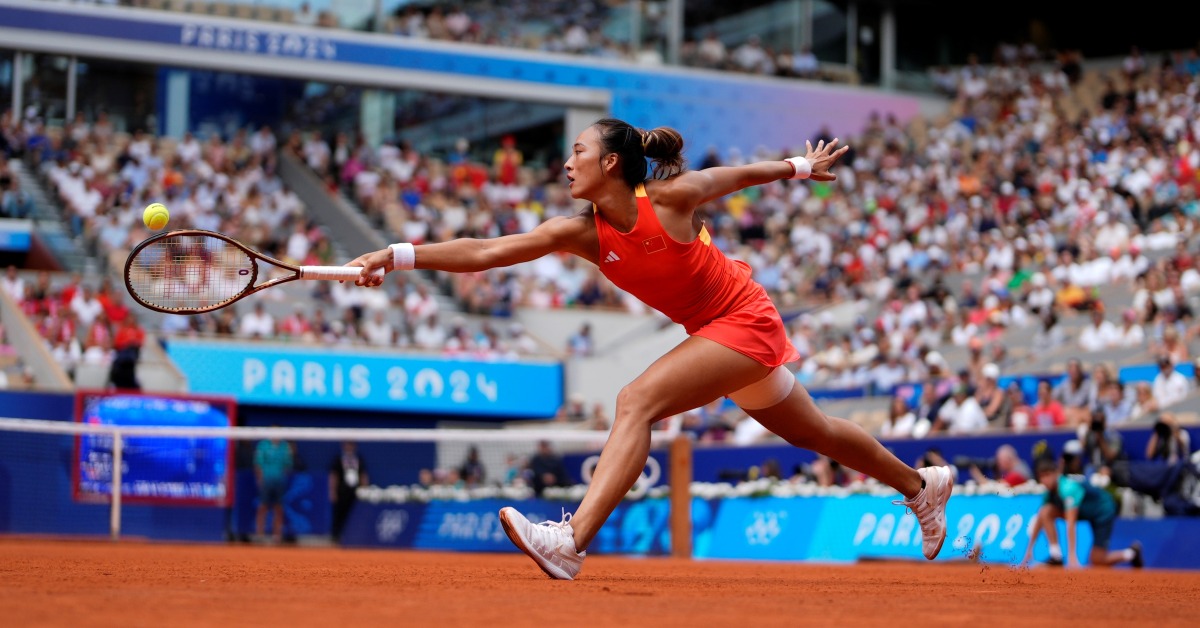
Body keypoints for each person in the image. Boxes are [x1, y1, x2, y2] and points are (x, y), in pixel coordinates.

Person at [348, 118, 954, 580]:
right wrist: (392, 256)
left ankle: (570, 541)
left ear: (611, 162)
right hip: (712, 332)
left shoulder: (668, 199)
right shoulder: (583, 233)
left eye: (578, 152)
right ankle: (920, 486)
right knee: (814, 433)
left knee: (635, 400)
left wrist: (800, 166)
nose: (566, 164)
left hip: (743, 318)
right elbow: (485, 251)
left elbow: (736, 177)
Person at [1021, 458, 1142, 569]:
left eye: (1047, 475)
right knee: (1046, 511)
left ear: (1056, 473)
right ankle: (1056, 556)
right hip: (1085, 512)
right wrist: (1029, 550)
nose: (1045, 480)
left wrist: (1072, 557)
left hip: (1103, 510)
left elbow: (1071, 523)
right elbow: (1040, 518)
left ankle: (1131, 553)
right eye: (1041, 476)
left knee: (1097, 560)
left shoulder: (1068, 489)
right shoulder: (1049, 493)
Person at [254, 431, 293, 544]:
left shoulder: (285, 447)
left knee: (279, 508)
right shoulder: (263, 445)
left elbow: (288, 465)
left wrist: (281, 477)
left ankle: (277, 535)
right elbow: (258, 463)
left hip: (279, 481)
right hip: (266, 481)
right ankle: (260, 535)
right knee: (262, 507)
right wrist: (260, 479)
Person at [329, 441, 368, 544]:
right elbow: (334, 476)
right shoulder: (338, 459)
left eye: (351, 445)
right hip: (341, 491)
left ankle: (351, 537)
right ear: (343, 446)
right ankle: (336, 537)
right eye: (347, 444)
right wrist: (332, 491)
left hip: (355, 492)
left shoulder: (359, 459)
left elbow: (363, 475)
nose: (349, 447)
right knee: (339, 515)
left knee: (353, 515)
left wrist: (365, 490)